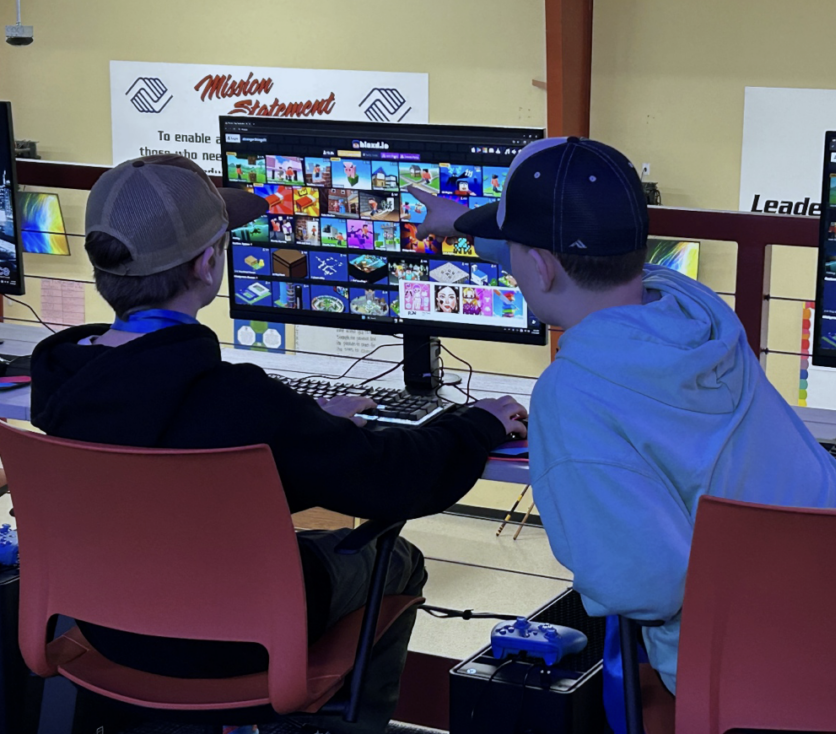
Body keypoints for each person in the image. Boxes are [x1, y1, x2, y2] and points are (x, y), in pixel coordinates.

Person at [29, 155, 528, 734]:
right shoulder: (237, 402)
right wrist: (478, 423)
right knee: (395, 559)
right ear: (210, 263)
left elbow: (175, 467)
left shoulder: (63, 383)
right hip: (228, 641)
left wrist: (302, 421)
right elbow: (399, 480)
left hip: (106, 629)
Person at [445, 137, 836, 721]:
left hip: (764, 687)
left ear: (539, 266)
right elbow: (576, 271)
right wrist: (463, 225)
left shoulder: (574, 393)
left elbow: (646, 589)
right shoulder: (697, 310)